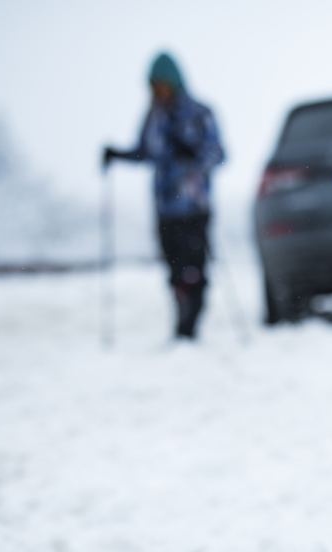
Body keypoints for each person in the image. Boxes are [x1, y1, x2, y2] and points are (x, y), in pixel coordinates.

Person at [103, 53, 225, 340]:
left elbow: (218, 153)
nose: (159, 94)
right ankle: (182, 320)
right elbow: (145, 152)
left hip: (194, 205)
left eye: (164, 87)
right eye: (154, 88)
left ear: (175, 84)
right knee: (173, 269)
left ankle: (190, 325)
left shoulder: (199, 113)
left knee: (193, 267)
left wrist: (194, 158)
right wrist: (118, 155)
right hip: (165, 207)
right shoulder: (153, 116)